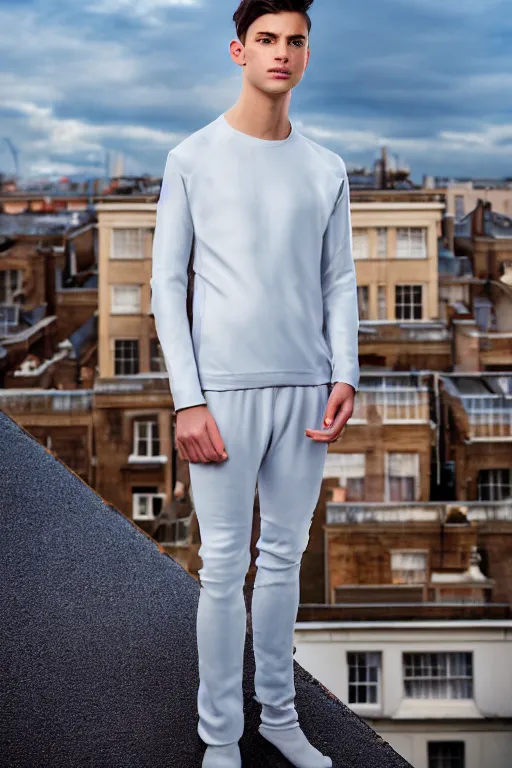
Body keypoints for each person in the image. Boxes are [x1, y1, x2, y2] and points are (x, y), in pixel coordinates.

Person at [150, 1, 359, 765]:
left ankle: (279, 719)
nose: (281, 53)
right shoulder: (192, 158)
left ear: (308, 55)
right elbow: (166, 287)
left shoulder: (326, 167)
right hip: (225, 394)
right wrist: (188, 399)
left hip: (307, 388)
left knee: (283, 559)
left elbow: (340, 282)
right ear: (239, 50)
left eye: (294, 41)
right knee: (222, 567)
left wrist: (347, 373)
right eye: (266, 39)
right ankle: (220, 737)